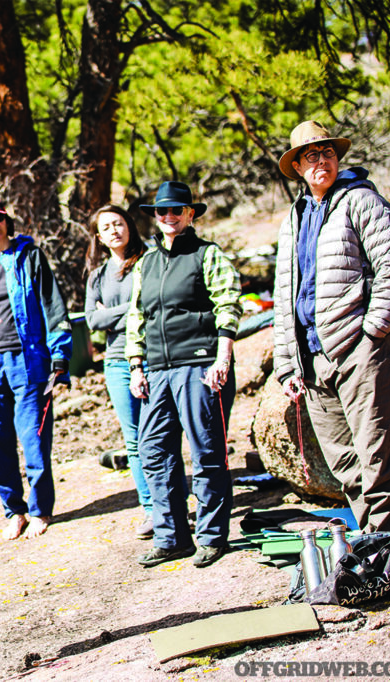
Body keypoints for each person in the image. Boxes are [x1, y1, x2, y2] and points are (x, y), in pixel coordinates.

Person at [273, 120, 390, 532]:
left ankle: (387, 554)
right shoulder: (293, 220)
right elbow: (284, 297)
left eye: (328, 153)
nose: (321, 162)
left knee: (377, 461)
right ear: (297, 167)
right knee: (345, 465)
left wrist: (373, 332)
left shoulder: (362, 201)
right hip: (313, 361)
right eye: (311, 156)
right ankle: (372, 548)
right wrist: (287, 364)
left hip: (360, 351)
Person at [125, 181, 241, 569]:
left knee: (207, 451)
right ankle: (171, 537)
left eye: (177, 210)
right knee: (155, 453)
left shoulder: (207, 254)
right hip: (156, 370)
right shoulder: (146, 262)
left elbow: (228, 302)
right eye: (162, 211)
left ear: (191, 214)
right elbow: (137, 316)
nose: (169, 217)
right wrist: (136, 365)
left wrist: (222, 355)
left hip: (201, 364)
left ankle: (211, 536)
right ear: (154, 217)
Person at [0, 196, 73, 541]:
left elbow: (53, 307)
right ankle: (14, 511)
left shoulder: (30, 257)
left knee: (33, 440)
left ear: (7, 220)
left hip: (28, 362)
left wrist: (60, 357)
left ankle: (39, 510)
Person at [84, 204, 154, 539]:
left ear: (129, 225)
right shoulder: (98, 275)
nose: (114, 230)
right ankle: (152, 510)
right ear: (99, 236)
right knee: (135, 440)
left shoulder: (150, 260)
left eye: (119, 223)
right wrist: (130, 309)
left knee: (162, 437)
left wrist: (113, 311)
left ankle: (172, 503)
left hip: (154, 357)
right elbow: (92, 320)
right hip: (116, 362)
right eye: (106, 227)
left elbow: (154, 303)